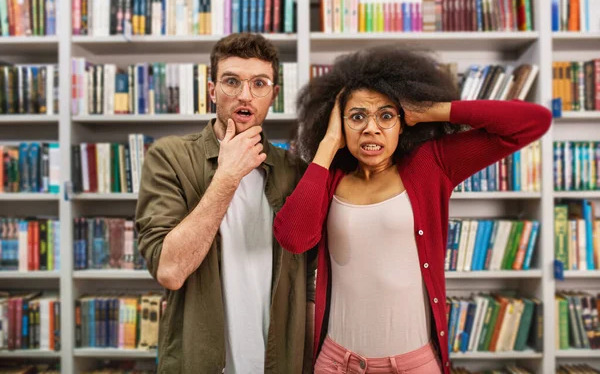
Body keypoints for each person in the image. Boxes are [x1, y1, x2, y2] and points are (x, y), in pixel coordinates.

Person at [273, 46, 552, 374]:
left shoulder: (431, 165)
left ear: (403, 123)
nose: (371, 128)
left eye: (386, 115)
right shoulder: (328, 176)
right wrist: (327, 144)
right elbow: (293, 238)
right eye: (357, 116)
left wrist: (431, 111)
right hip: (337, 362)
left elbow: (533, 122)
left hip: (412, 364)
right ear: (338, 123)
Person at [135, 33, 316, 374]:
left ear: (273, 95)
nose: (245, 95)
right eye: (231, 81)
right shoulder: (169, 157)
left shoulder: (295, 171)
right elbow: (170, 271)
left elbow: (309, 283)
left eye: (259, 83)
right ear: (212, 90)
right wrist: (227, 177)